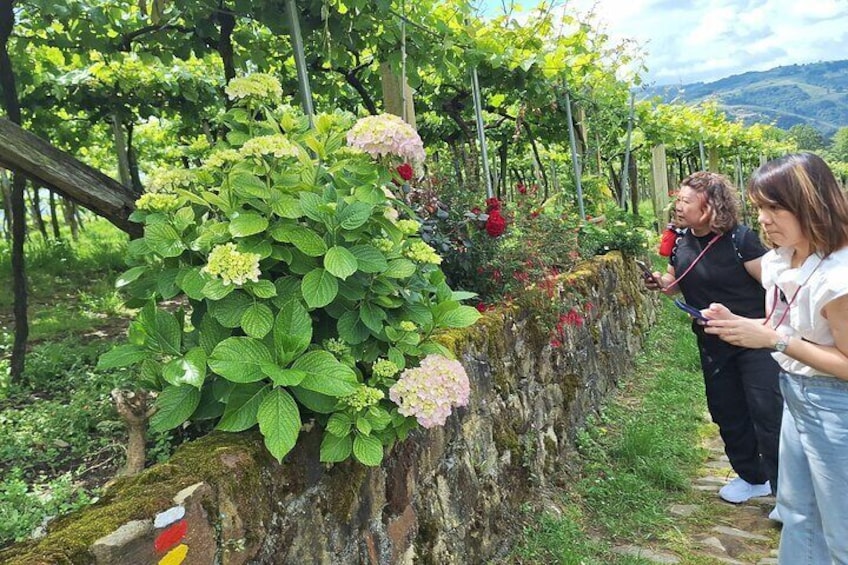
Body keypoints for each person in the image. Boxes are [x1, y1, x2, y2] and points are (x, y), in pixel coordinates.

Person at [702, 153, 848, 563]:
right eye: (760, 208)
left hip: (836, 404)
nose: (763, 220)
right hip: (798, 392)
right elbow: (785, 320)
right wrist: (739, 323)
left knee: (841, 529)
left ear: (812, 203)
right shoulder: (785, 258)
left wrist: (773, 339)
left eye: (775, 208)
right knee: (798, 513)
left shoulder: (839, 277)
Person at [644, 171, 783, 505]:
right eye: (678, 199)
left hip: (753, 340)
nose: (678, 206)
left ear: (710, 206)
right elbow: (679, 282)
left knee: (768, 413)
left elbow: (777, 289)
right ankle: (752, 477)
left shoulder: (741, 240)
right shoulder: (680, 241)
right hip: (712, 342)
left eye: (686, 201)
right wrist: (664, 284)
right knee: (727, 410)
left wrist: (769, 331)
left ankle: (786, 493)